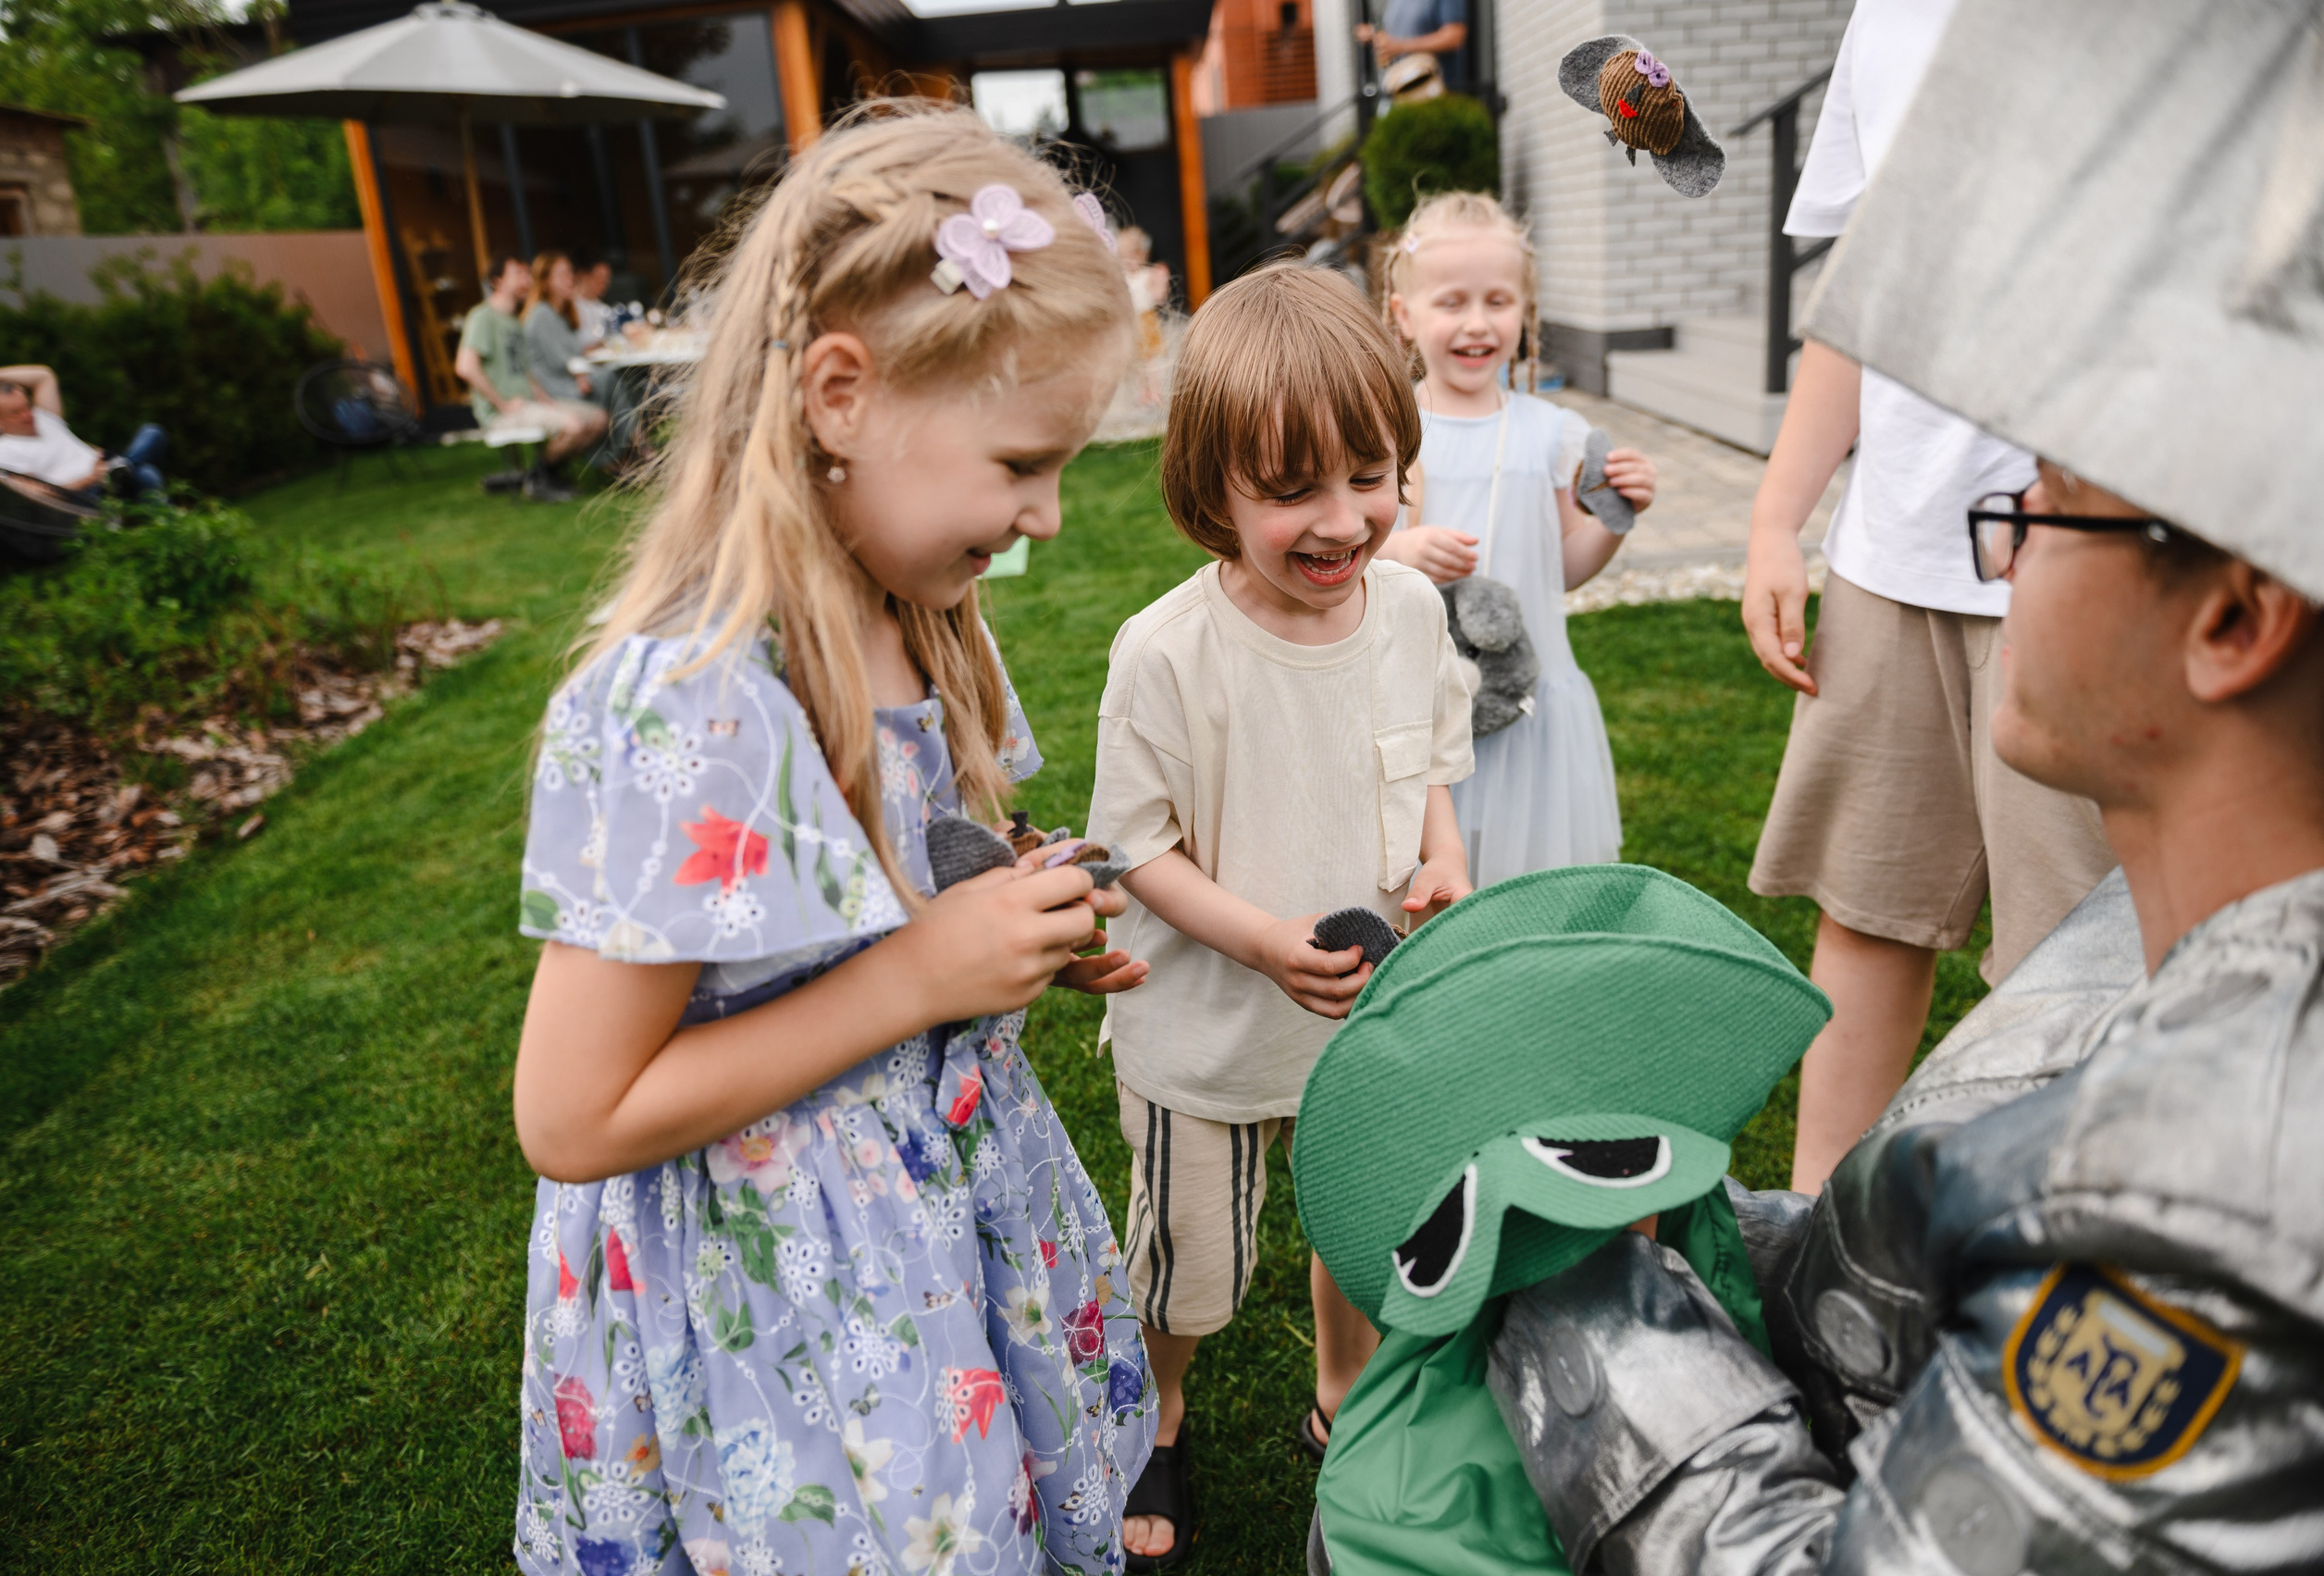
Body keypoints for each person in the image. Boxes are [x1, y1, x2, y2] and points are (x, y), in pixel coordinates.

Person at [1483, 4, 2324, 1565]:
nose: (1998, 532)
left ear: (2231, 613)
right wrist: (1694, 1236)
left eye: (2047, 500)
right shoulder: (2130, 982)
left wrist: (1563, 1288)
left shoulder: (2207, 1205)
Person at [506, 105, 1156, 1576]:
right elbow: (572, 1114)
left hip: (929, 1209)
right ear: (842, 394)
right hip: (783, 1285)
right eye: (1021, 462)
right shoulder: (688, 703)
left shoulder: (921, 615)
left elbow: (903, 886)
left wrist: (1012, 914)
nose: (1047, 514)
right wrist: (922, 976)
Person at [1086, 262, 1477, 1569]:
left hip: (1359, 1014)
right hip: (1204, 1029)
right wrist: (1262, 943)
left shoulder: (1413, 608)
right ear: (1212, 492)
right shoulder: (1167, 651)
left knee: (1357, 1219)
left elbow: (1423, 761)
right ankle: (1165, 1408)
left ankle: (1342, 1408)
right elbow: (1134, 845)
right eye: (1292, 488)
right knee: (1191, 1260)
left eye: (1369, 474)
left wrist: (1443, 863)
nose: (1343, 519)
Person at [1740, 0, 2114, 1196]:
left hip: (2083, 559)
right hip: (1889, 549)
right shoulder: (1888, 16)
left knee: (2081, 957)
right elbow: (1864, 292)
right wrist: (1773, 517)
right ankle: (1809, 1230)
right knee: (1867, 907)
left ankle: (2074, 1252)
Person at [1376, 192, 1658, 880]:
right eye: (1452, 302)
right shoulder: (1390, 430)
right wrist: (1401, 552)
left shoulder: (1549, 433)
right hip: (1427, 705)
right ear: (1404, 316)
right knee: (1431, 886)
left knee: (1530, 885)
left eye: (1498, 301)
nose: (1477, 323)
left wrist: (1613, 521)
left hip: (1531, 709)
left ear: (1525, 313)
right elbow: (1353, 558)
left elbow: (1561, 568)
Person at [454, 253, 606, 503]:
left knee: (598, 419)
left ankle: (543, 475)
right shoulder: (482, 318)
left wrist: (547, 401)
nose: (526, 279)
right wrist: (502, 404)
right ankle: (539, 479)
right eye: (518, 274)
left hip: (529, 404)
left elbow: (525, 373)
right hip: (504, 411)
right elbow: (465, 367)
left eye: (526, 274)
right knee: (574, 426)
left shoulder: (513, 322)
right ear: (497, 281)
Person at [0, 364, 167, 503]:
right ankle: (121, 470)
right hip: (85, 495)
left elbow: (44, 376)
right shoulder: (3, 452)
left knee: (153, 433)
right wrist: (90, 479)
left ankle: (120, 470)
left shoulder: (44, 418)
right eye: (16, 413)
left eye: (27, 407)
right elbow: (36, 495)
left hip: (104, 472)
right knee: (146, 475)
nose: (27, 415)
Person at [524, 248, 637, 470]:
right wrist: (580, 375)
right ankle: (628, 450)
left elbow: (574, 352)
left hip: (567, 381)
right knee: (608, 381)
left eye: (570, 273)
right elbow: (562, 360)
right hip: (555, 387)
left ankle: (624, 452)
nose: (570, 279)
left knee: (619, 383)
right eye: (563, 275)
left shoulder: (560, 313)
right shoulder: (542, 314)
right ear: (546, 282)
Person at [1352, 0, 1467, 94]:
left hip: (1431, 91)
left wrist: (1400, 46)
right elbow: (1398, 36)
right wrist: (1375, 36)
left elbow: (1455, 36)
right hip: (1399, 89)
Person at [571, 254, 614, 346]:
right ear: (584, 276)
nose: (603, 284)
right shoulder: (570, 307)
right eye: (599, 278)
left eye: (606, 279)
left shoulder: (603, 309)